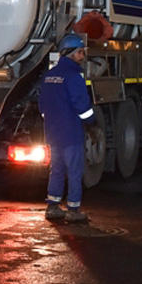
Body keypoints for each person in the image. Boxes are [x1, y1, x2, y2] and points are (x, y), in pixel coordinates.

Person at [39, 33, 96, 223]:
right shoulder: (74, 76)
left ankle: (53, 206)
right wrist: (91, 121)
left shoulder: (48, 75)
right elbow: (81, 105)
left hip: (53, 133)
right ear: (72, 53)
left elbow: (42, 105)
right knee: (74, 170)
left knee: (56, 169)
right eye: (81, 52)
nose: (83, 56)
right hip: (71, 133)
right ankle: (73, 209)